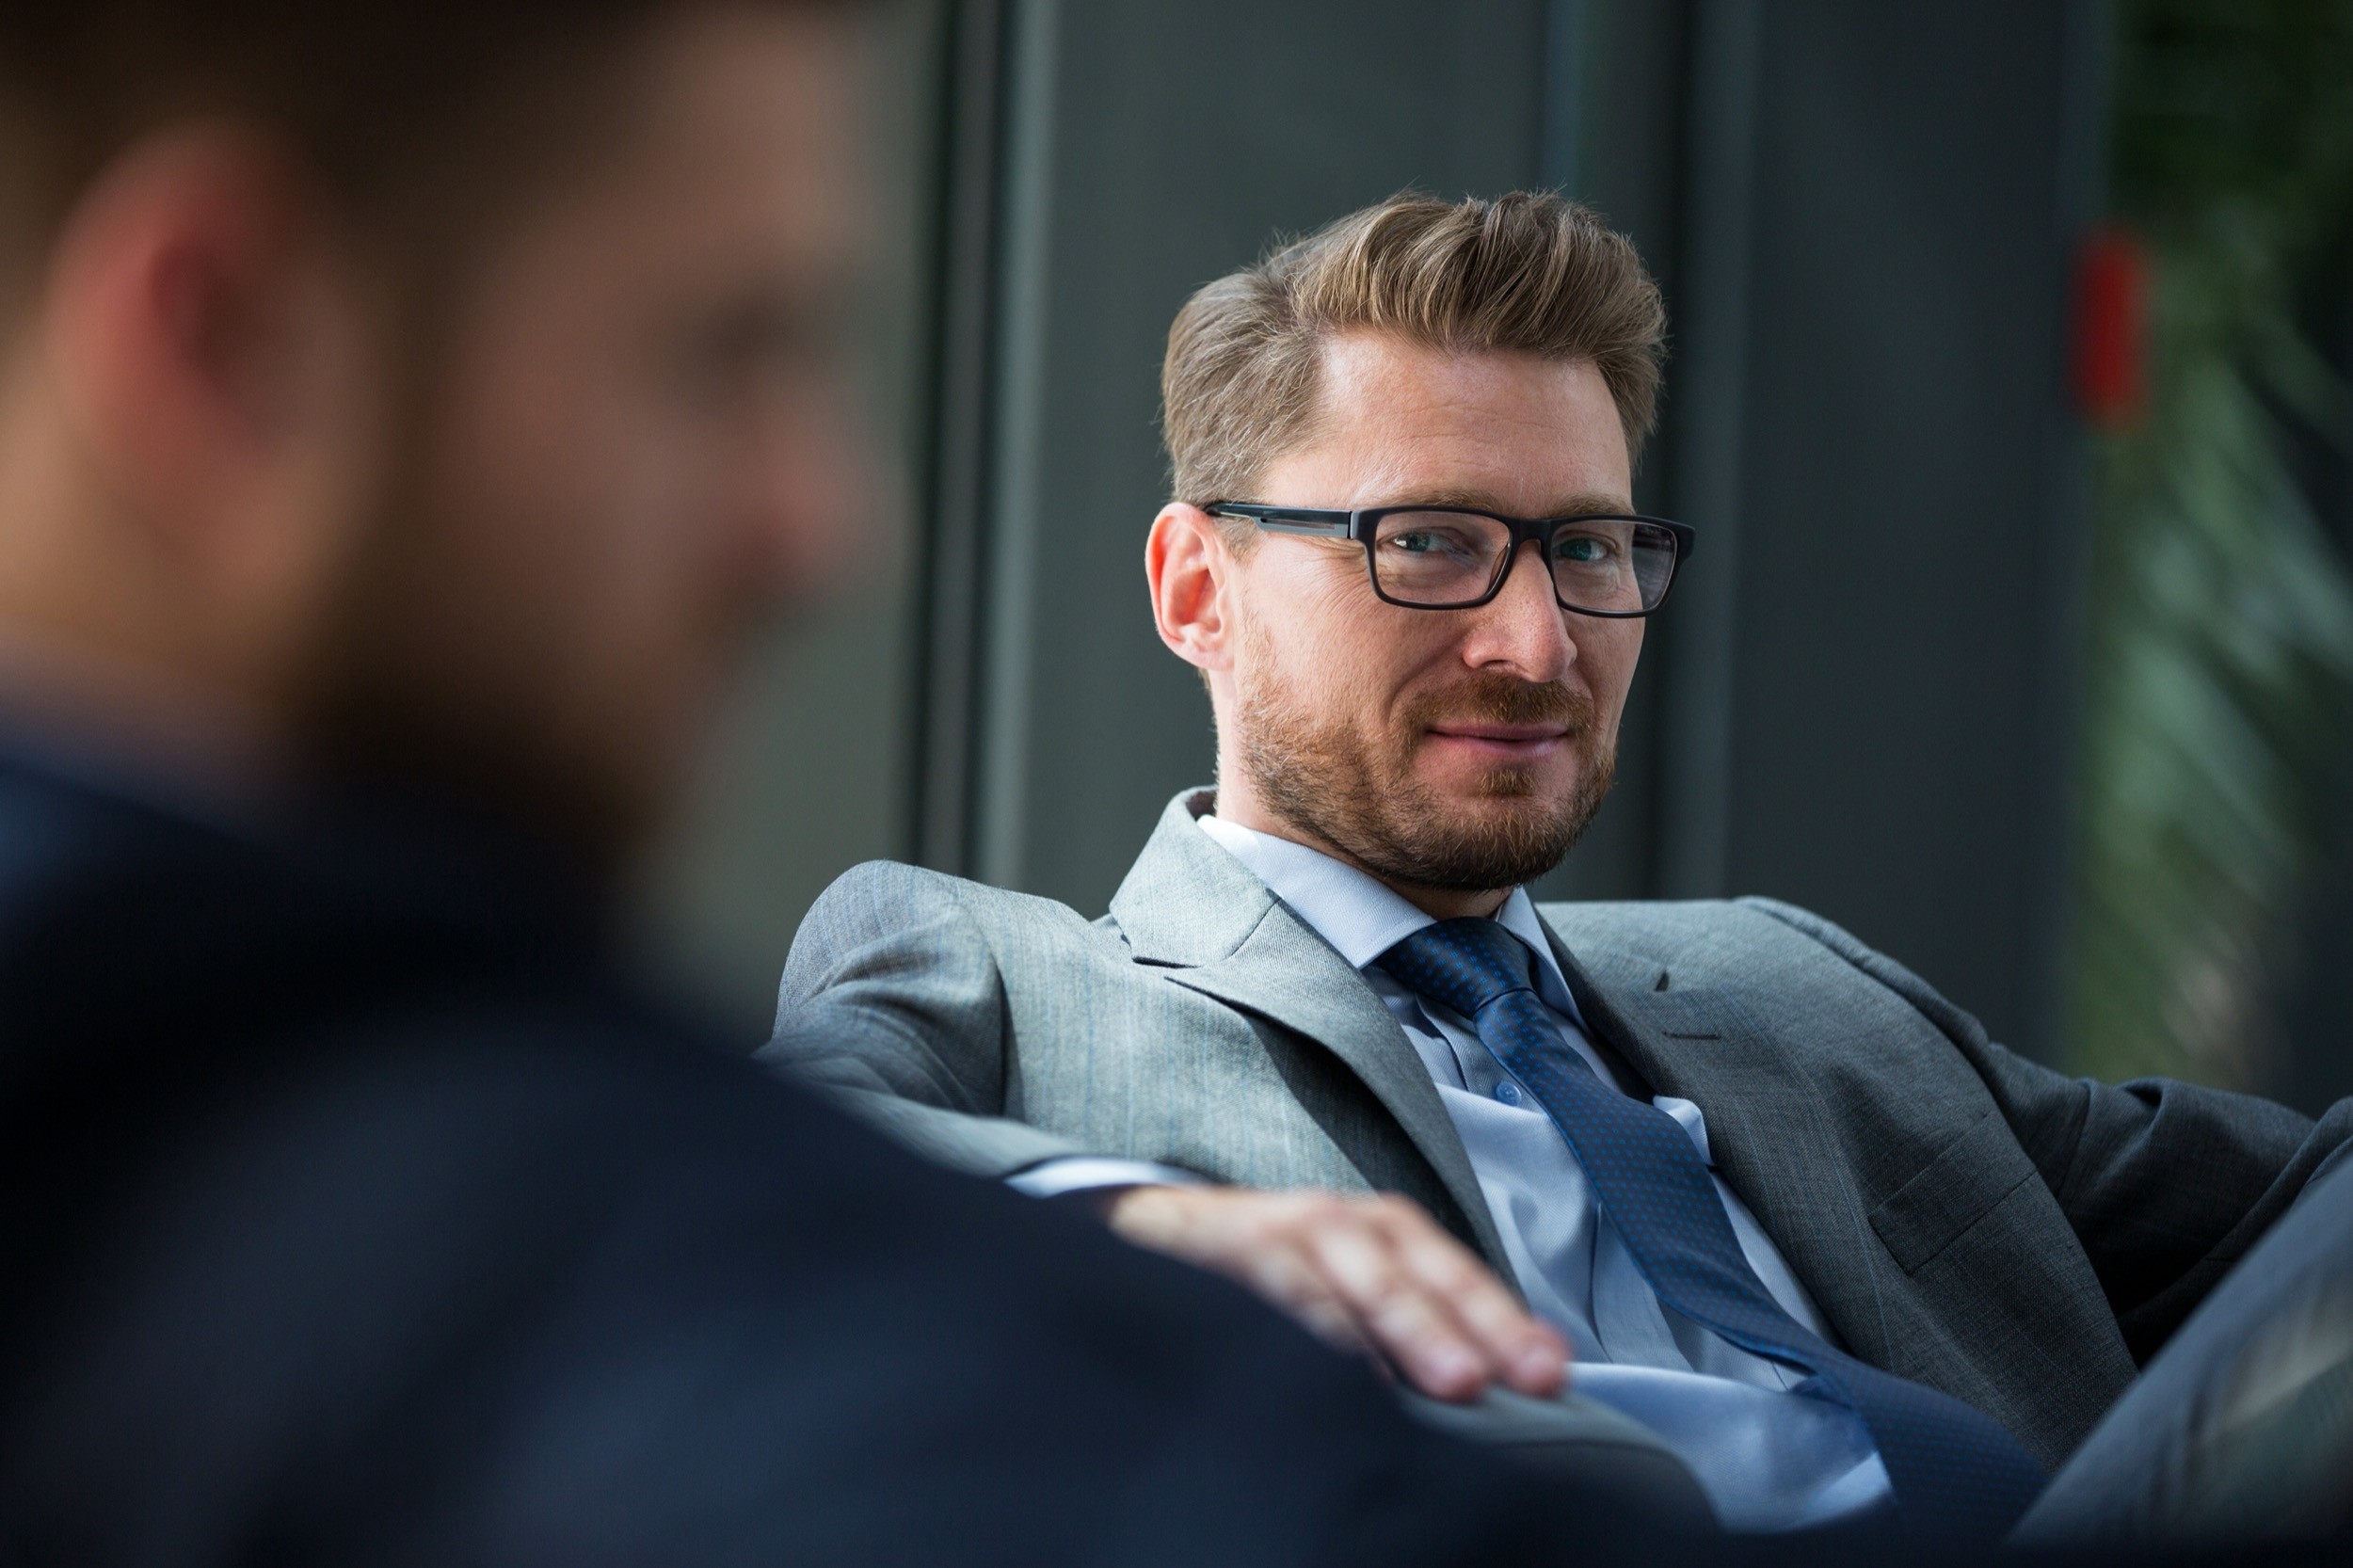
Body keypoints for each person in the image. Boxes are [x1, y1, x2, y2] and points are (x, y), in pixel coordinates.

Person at [0, 11, 1683, 1563]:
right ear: (229, 345)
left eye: (1590, 545)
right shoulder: (523, 1229)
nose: (824, 522)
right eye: (724, 348)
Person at [766, 190, 2353, 1540]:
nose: (1537, 647)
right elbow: (778, 1162)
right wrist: (1171, 1230)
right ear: (1199, 591)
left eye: (1587, 548)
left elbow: (2301, 1221)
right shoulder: (1001, 980)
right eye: (1432, 541)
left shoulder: (1790, 982)